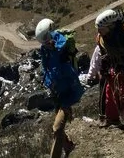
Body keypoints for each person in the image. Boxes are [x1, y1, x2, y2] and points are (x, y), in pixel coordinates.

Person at [32, 18, 83, 158]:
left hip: (67, 94)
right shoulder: (46, 49)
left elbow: (66, 72)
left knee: (57, 128)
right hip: (58, 93)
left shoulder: (60, 48)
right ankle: (69, 146)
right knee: (58, 128)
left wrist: (69, 98)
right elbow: (49, 70)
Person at [90, 10, 124, 129]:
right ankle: (112, 118)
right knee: (109, 93)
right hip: (112, 67)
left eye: (101, 28)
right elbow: (104, 54)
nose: (99, 32)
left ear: (110, 26)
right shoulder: (103, 38)